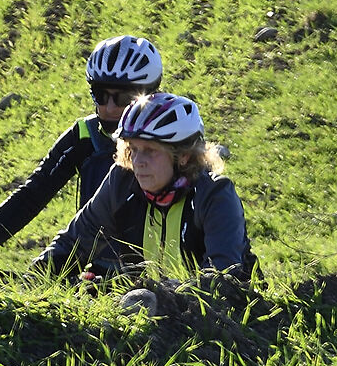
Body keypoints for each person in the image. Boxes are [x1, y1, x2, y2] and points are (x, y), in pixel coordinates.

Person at [0, 35, 163, 282]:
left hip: (155, 272)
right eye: (100, 95)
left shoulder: (172, 136)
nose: (109, 107)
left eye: (122, 98)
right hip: (91, 265)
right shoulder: (85, 135)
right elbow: (34, 193)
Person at [38, 91, 254, 282]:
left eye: (150, 150)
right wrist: (32, 281)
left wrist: (161, 297)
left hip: (226, 321)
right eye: (133, 149)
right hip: (151, 318)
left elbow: (222, 277)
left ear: (183, 156)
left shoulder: (214, 195)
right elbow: (72, 243)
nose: (138, 161)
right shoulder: (122, 181)